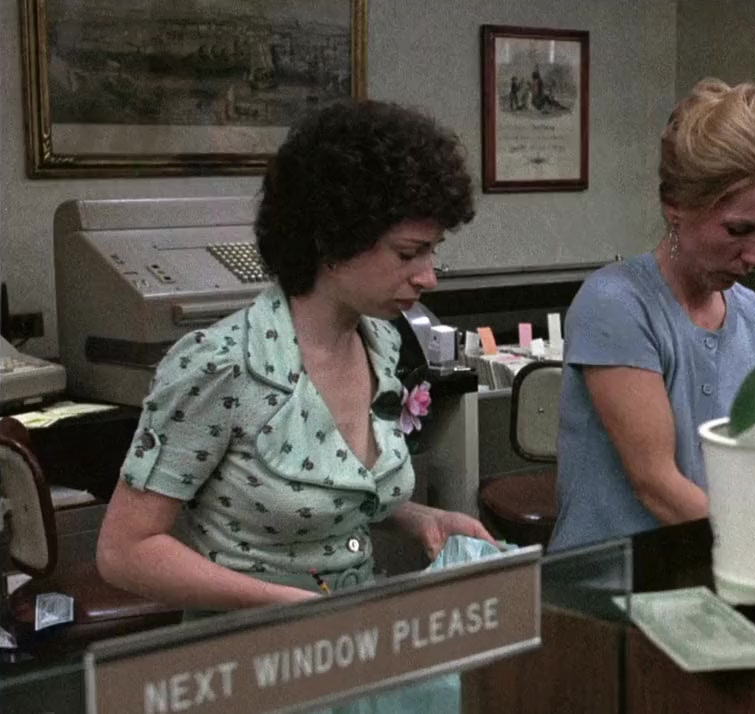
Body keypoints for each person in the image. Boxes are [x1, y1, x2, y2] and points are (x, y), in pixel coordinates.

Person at [97, 100, 494, 613]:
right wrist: (288, 606)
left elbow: (330, 490)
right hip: (253, 647)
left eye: (431, 251)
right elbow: (125, 551)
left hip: (352, 636)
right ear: (333, 241)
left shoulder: (381, 343)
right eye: (407, 253)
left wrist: (422, 518)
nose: (428, 277)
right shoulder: (223, 365)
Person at [550, 79, 755, 551]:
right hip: (617, 577)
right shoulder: (616, 305)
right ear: (676, 207)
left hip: (719, 565)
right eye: (739, 230)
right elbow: (657, 485)